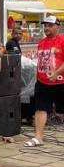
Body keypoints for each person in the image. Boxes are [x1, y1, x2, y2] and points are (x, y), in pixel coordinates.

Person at [23, 16, 64, 147]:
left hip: (60, 82)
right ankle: (38, 138)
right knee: (40, 108)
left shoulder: (62, 40)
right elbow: (41, 61)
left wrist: (57, 72)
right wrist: (37, 77)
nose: (47, 28)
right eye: (45, 25)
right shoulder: (41, 42)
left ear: (58, 26)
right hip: (42, 82)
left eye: (50, 25)